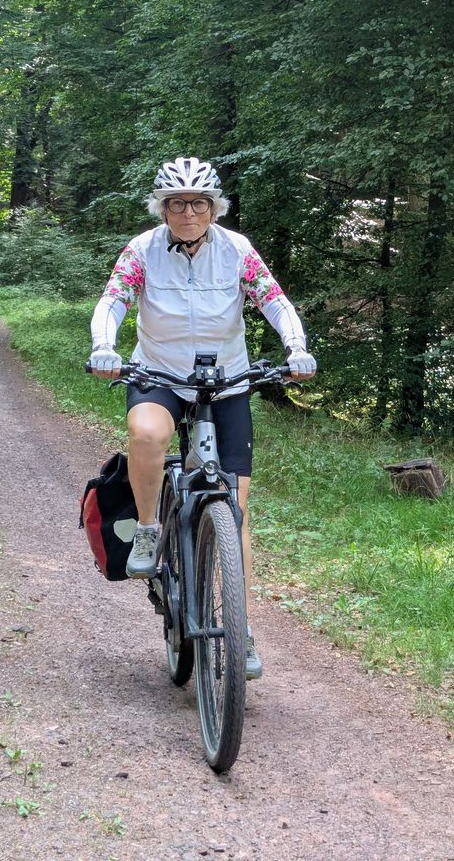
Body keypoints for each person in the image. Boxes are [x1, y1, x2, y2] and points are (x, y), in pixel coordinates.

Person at [88, 156, 316, 680]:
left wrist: (297, 347)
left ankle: (240, 627)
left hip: (226, 380)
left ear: (214, 208)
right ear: (162, 208)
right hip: (160, 373)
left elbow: (275, 301)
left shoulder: (237, 250)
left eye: (198, 203)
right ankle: (149, 529)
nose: (188, 213)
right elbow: (113, 300)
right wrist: (104, 345)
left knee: (235, 509)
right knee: (147, 434)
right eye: (177, 204)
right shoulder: (142, 250)